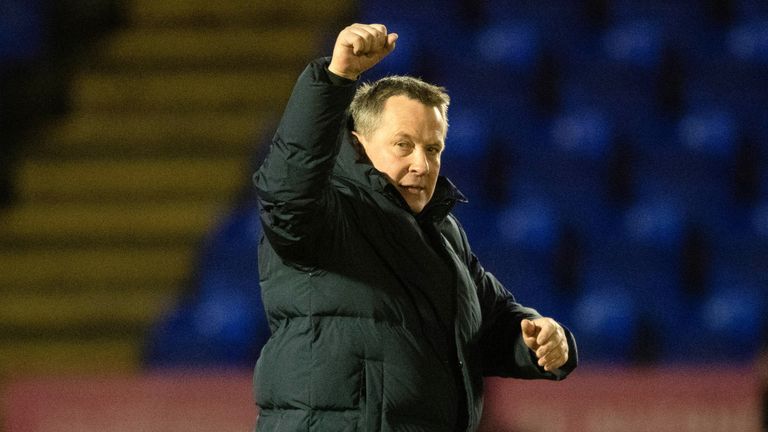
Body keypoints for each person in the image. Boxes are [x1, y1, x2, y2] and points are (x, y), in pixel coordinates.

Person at [252, 23, 578, 432]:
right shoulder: (327, 211)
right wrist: (335, 79)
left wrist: (542, 339)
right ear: (358, 144)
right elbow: (287, 191)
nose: (422, 165)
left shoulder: (443, 231)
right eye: (403, 145)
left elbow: (490, 323)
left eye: (433, 148)